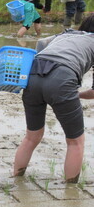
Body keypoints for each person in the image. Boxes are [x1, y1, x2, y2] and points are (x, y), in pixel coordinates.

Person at [13, 14, 94, 183]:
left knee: (31, 136)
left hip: (32, 75)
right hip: (62, 79)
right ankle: (70, 190)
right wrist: (75, 94)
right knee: (75, 142)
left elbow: (40, 46)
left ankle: (16, 178)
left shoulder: (65, 34)